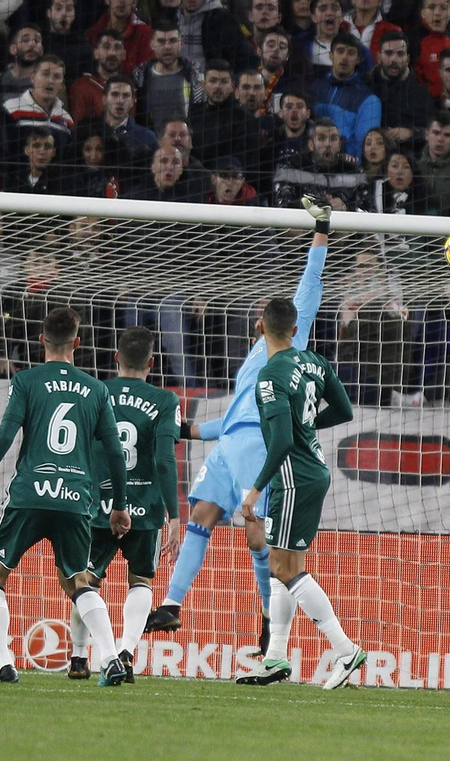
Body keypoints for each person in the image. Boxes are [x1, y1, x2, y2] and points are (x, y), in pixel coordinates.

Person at [145, 196, 328, 641]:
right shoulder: (252, 359)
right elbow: (233, 419)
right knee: (201, 513)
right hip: (230, 444)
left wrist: (322, 229)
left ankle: (268, 617)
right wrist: (190, 431)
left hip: (258, 447)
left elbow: (310, 283)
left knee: (256, 537)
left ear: (265, 324)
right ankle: (170, 603)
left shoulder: (292, 345)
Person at [0, 307, 132, 686]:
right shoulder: (97, 389)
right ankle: (113, 656)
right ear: (77, 344)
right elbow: (115, 453)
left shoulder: (26, 381)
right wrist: (119, 504)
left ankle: (4, 661)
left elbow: (5, 435)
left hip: (29, 494)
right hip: (75, 498)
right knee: (78, 581)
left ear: (41, 342)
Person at [235, 293, 362, 689]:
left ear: (260, 327)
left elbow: (282, 440)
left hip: (292, 477)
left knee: (286, 569)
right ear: (294, 330)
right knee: (280, 565)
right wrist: (307, 427)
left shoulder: (270, 375)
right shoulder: (315, 361)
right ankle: (275, 658)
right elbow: (344, 411)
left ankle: (345, 650)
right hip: (314, 471)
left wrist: (255, 490)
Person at [64, 327, 181, 680]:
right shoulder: (165, 400)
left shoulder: (94, 391)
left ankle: (78, 658)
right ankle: (126, 653)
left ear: (116, 358)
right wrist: (174, 514)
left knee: (85, 580)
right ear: (152, 363)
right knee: (141, 580)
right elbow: (165, 460)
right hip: (144, 506)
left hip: (97, 504)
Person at [310, 32, 380, 159]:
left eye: (351, 53)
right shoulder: (314, 89)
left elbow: (364, 143)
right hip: (312, 162)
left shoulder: (369, 99)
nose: (345, 57)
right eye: (340, 51)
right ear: (331, 55)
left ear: (358, 59)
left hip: (346, 167)